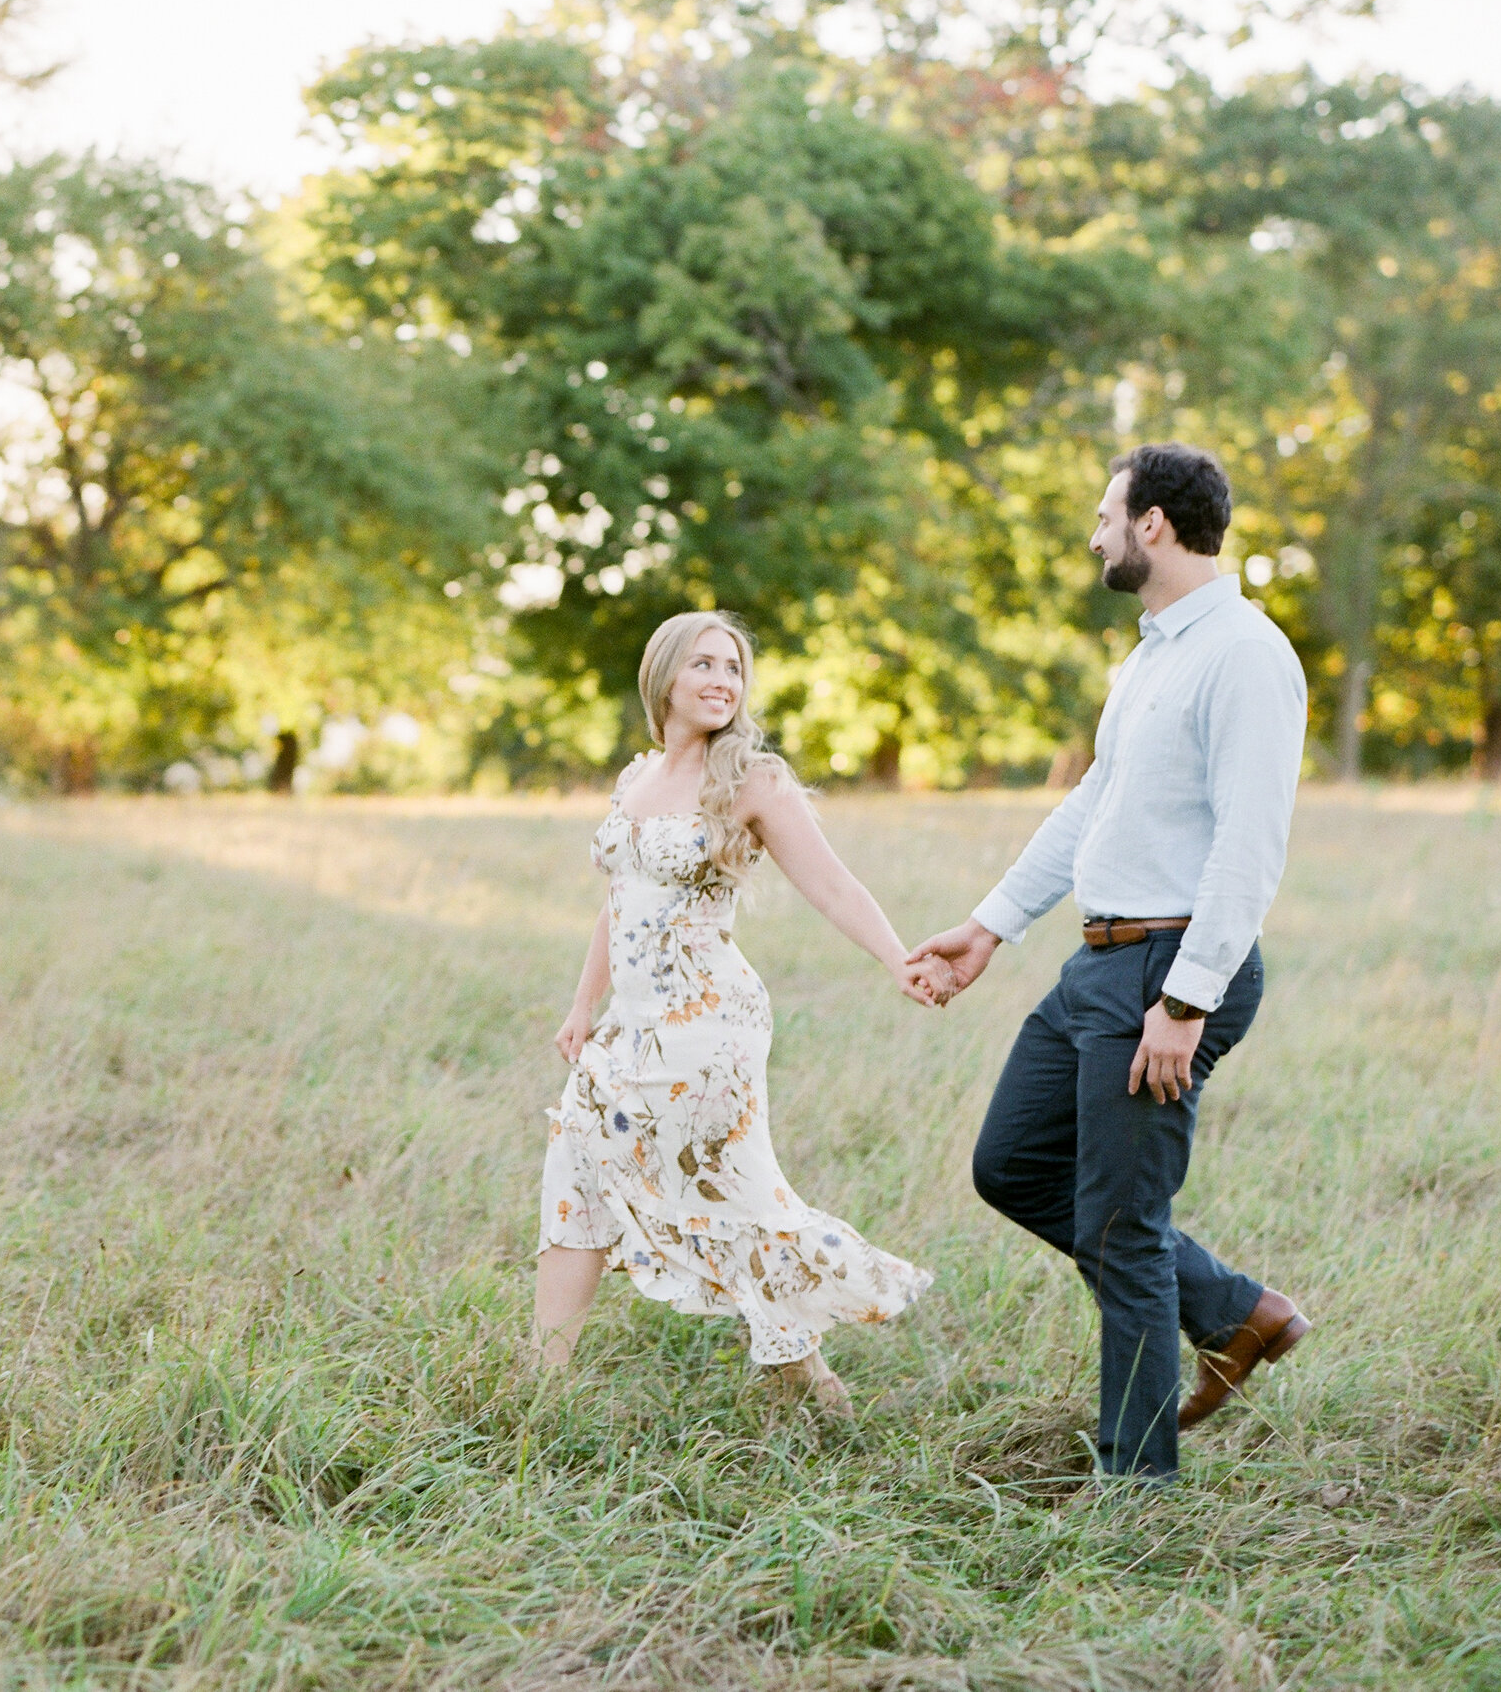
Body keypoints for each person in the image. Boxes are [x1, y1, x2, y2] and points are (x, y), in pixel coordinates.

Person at [909, 443, 1310, 1485]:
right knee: (1009, 1165)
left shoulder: (1245, 654)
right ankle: (1233, 1311)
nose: (1092, 535)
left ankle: (1136, 1488)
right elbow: (1094, 803)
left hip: (1169, 969)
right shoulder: (1146, 658)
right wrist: (989, 926)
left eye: (1103, 515)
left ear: (1153, 526)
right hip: (1096, 963)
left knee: (1123, 1229)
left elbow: (1249, 843)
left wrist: (1184, 1001)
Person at [533, 610, 948, 1408]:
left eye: (733, 667)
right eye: (705, 664)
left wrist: (897, 957)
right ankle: (543, 1387)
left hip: (709, 1024)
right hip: (631, 1024)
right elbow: (619, 900)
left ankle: (816, 1379)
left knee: (732, 1199)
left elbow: (831, 882)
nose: (723, 679)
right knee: (577, 1158)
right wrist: (585, 1004)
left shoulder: (752, 780)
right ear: (665, 676)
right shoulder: (637, 779)